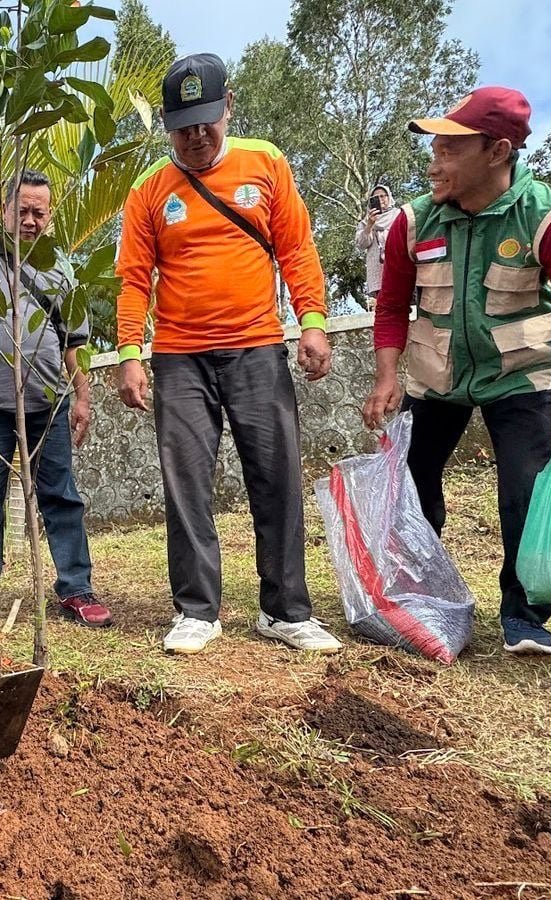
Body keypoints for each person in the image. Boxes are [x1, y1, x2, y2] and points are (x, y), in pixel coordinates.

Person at [362, 86, 551, 655]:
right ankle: (418, 594)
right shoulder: (413, 222)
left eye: (451, 150)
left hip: (517, 377)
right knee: (412, 483)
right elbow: (390, 307)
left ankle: (525, 614)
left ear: (499, 151)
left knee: (526, 493)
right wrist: (387, 376)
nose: (436, 162)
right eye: (434, 149)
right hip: (435, 376)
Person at [115, 53, 341, 656]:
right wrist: (130, 353)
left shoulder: (265, 162)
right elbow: (135, 279)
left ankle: (285, 609)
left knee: (277, 475)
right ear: (166, 124)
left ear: (229, 107)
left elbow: (296, 250)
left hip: (259, 346)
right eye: (182, 125)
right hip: (179, 357)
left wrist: (313, 323)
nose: (195, 136)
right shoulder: (148, 191)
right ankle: (196, 609)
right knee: (186, 480)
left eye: (206, 122)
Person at [0, 169, 109, 627]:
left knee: (61, 497)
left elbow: (73, 342)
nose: (31, 221)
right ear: (3, 213)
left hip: (49, 407)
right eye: (22, 211)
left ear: (50, 215)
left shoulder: (61, 270)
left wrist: (82, 396)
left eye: (40, 212)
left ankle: (76, 589)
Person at [356, 185, 401, 307]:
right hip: (378, 270)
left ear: (389, 197)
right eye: (375, 198)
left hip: (398, 266)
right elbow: (361, 244)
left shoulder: (399, 216)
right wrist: (370, 225)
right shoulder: (366, 221)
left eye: (382, 196)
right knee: (384, 307)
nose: (380, 199)